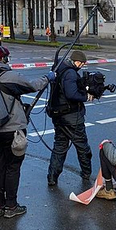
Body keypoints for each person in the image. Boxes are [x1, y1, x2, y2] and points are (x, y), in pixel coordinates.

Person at [0, 46, 52, 218]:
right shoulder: (8, 76)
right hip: (12, 130)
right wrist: (48, 77)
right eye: (6, 57)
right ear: (2, 59)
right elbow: (32, 85)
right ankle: (11, 206)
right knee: (13, 167)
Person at [47, 50, 93, 186]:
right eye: (82, 64)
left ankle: (52, 177)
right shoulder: (71, 73)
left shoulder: (58, 68)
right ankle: (86, 174)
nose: (82, 67)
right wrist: (86, 97)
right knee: (82, 147)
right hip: (71, 116)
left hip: (57, 115)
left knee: (60, 146)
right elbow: (71, 94)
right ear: (77, 62)